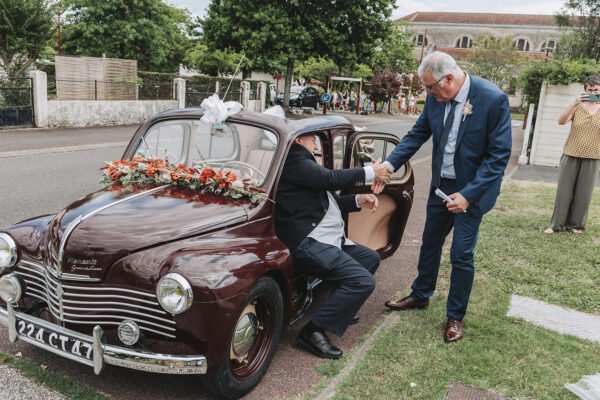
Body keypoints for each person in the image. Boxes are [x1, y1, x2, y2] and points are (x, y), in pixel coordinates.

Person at [373, 51, 512, 343]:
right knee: (430, 241)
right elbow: (416, 134)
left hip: (472, 191)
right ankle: (421, 295)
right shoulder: (436, 100)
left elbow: (498, 157)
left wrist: (469, 196)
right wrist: (388, 165)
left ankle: (455, 316)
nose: (429, 94)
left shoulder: (492, 99)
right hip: (441, 185)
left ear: (449, 78)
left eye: (431, 87)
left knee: (461, 254)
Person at [275, 133, 392, 359]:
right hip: (307, 241)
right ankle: (312, 332)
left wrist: (358, 200)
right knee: (362, 281)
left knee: (370, 258)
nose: (316, 144)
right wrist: (371, 172)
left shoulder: (304, 163)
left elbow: (323, 201)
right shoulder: (294, 159)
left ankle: (340, 308)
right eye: (312, 139)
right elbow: (330, 179)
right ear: (298, 141)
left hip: (325, 236)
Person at [544, 76, 600, 234]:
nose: (593, 93)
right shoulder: (577, 106)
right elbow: (561, 121)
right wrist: (574, 103)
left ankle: (576, 226)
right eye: (590, 90)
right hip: (571, 153)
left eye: (596, 90)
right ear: (585, 91)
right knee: (564, 192)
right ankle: (555, 225)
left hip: (593, 156)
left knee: (584, 194)